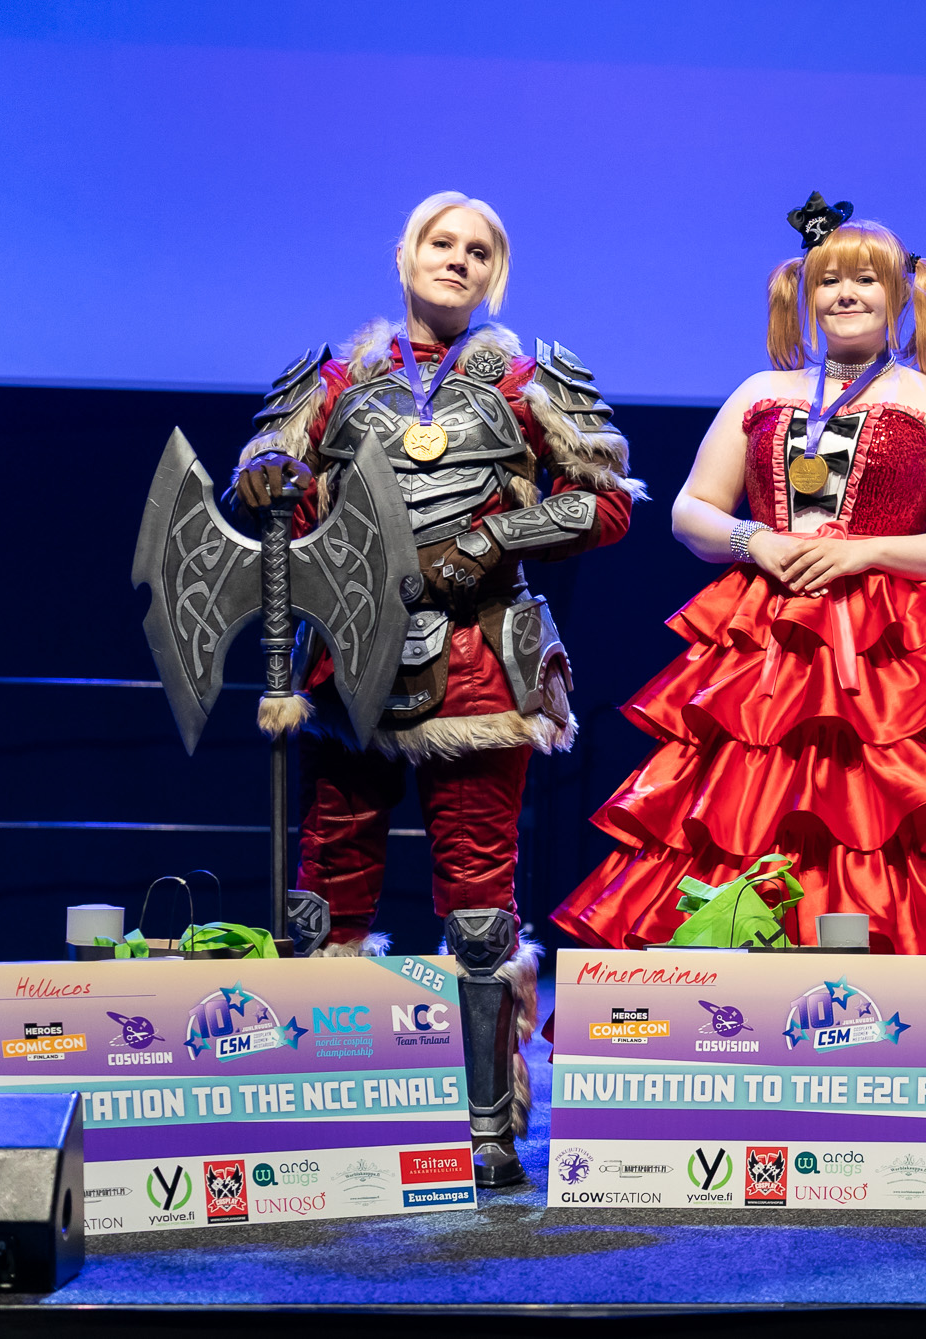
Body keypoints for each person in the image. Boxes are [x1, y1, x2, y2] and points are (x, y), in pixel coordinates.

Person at [232, 191, 641, 1185]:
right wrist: (271, 478)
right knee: (326, 893)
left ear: (494, 272)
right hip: (351, 668)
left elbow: (605, 501)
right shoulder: (333, 378)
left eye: (477, 250)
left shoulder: (530, 379)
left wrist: (494, 537)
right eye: (440, 242)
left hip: (480, 664)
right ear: (405, 254)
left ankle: (488, 1129)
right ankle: (325, 1107)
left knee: (478, 901)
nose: (456, 259)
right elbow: (278, 489)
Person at [552, 198, 926, 959]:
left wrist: (865, 552)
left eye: (866, 278)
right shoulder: (761, 390)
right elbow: (690, 510)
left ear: (902, 292)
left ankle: (871, 992)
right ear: (806, 292)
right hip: (763, 642)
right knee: (740, 810)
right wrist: (753, 538)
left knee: (875, 817)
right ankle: (722, 995)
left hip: (886, 657)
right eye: (830, 281)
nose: (846, 294)